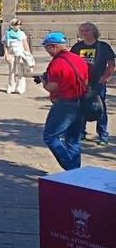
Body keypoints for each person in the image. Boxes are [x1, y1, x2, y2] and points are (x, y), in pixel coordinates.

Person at [39, 32, 89, 170]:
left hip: (64, 104)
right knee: (73, 140)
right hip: (80, 101)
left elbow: (52, 87)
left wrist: (44, 82)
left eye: (47, 48)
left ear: (53, 46)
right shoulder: (79, 59)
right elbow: (85, 81)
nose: (47, 51)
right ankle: (75, 173)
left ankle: (71, 168)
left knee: (50, 136)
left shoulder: (56, 63)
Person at [71, 21, 114, 146]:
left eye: (87, 30)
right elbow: (71, 63)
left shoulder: (103, 46)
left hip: (98, 83)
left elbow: (111, 64)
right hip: (82, 83)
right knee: (81, 107)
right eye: (82, 31)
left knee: (100, 109)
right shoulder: (77, 47)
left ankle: (103, 135)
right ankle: (81, 132)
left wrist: (104, 78)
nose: (84, 33)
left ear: (94, 31)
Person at [5, 19, 33, 95]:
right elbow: (6, 45)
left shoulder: (22, 34)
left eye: (20, 24)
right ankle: (11, 87)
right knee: (11, 71)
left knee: (21, 71)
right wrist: (6, 55)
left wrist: (29, 54)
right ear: (12, 25)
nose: (19, 26)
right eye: (17, 24)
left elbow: (25, 44)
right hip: (11, 54)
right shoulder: (7, 34)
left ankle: (20, 88)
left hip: (20, 54)